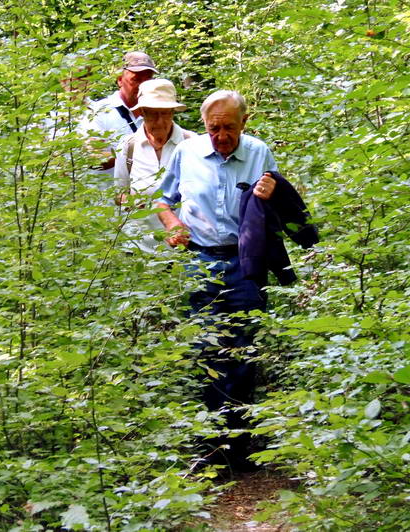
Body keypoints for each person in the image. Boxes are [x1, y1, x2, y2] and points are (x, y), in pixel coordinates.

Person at [155, 89, 317, 471]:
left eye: (229, 127)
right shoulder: (187, 153)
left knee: (244, 351)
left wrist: (273, 193)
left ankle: (241, 445)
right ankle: (212, 445)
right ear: (204, 126)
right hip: (201, 261)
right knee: (208, 351)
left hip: (248, 263)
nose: (221, 135)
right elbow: (163, 201)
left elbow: (285, 206)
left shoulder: (259, 152)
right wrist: (174, 224)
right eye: (214, 128)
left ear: (244, 123)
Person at [114, 79, 196, 252]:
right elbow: (119, 194)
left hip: (184, 248)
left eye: (165, 113)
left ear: (173, 112)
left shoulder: (192, 144)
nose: (159, 121)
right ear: (142, 112)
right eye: (152, 113)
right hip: (138, 249)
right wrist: (135, 201)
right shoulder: (129, 146)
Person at [78, 51, 158, 174]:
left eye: (147, 80)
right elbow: (93, 157)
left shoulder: (159, 112)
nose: (143, 86)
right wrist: (135, 154)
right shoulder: (99, 112)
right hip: (108, 192)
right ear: (120, 80)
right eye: (136, 80)